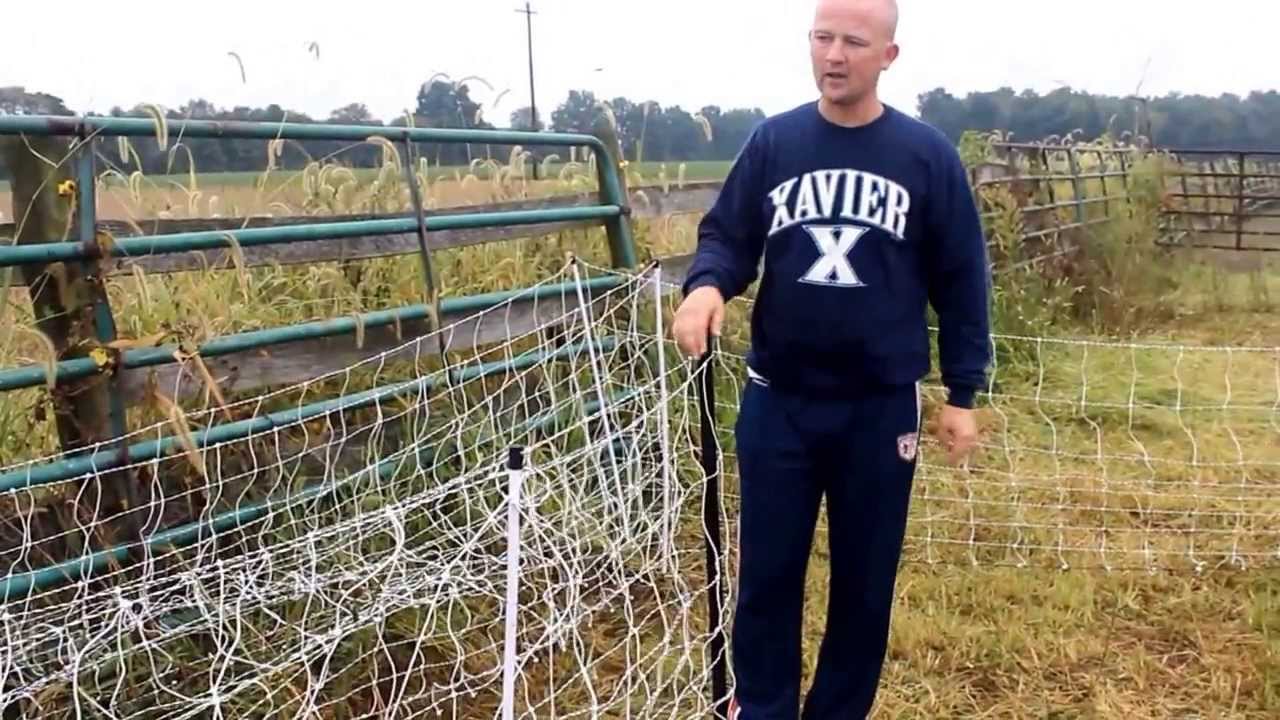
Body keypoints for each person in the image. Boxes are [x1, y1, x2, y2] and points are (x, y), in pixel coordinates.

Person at [671, 0, 992, 717]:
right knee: (766, 580)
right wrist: (705, 287)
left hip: (880, 410)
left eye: (854, 41)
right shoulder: (774, 144)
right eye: (823, 37)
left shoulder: (925, 157)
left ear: (888, 56)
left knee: (864, 584)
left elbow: (962, 277)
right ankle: (762, 710)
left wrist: (964, 390)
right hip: (778, 401)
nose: (834, 54)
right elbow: (727, 236)